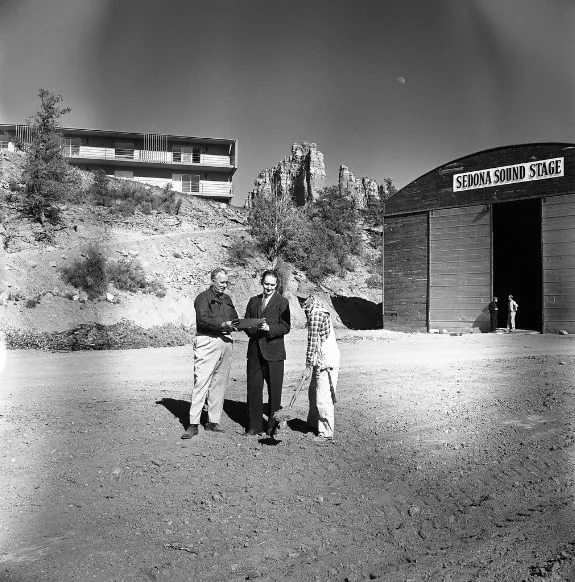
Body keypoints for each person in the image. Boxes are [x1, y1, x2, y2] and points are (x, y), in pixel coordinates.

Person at [182, 268, 238, 439]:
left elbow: (234, 316)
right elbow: (203, 320)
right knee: (201, 381)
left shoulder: (227, 299)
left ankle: (212, 422)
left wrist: (238, 324)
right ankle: (193, 424)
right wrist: (222, 325)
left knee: (219, 383)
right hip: (207, 341)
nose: (224, 285)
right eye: (222, 282)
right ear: (213, 280)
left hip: (226, 342)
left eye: (226, 282)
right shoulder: (202, 298)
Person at [244, 270, 291, 436]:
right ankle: (254, 426)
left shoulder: (282, 302)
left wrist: (270, 329)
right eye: (266, 284)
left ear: (276, 284)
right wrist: (253, 329)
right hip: (255, 352)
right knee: (254, 389)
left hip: (274, 353)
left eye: (272, 284)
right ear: (261, 283)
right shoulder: (253, 301)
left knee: (274, 392)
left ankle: (272, 427)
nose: (269, 287)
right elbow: (246, 323)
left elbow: (286, 326)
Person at [294, 279, 340, 443]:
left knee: (323, 396)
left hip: (327, 357)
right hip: (321, 353)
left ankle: (326, 433)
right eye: (299, 297)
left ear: (310, 296)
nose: (300, 301)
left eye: (303, 298)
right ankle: (314, 424)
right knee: (313, 390)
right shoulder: (312, 305)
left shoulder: (316, 313)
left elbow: (312, 342)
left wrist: (308, 366)